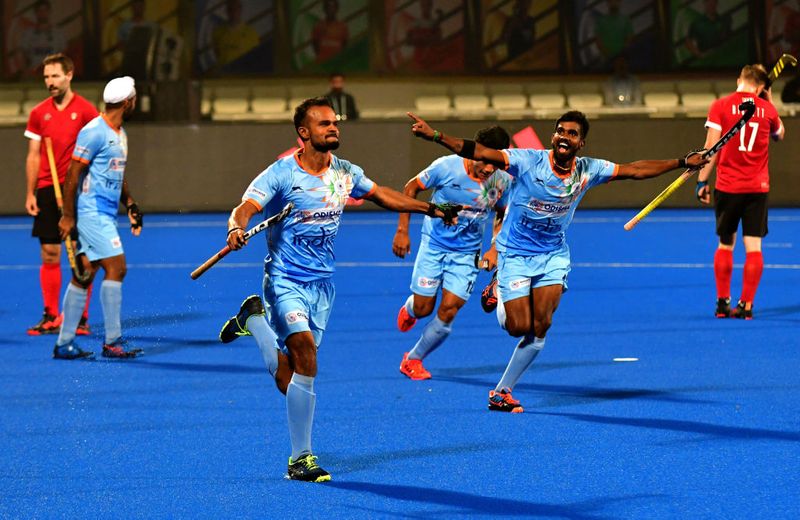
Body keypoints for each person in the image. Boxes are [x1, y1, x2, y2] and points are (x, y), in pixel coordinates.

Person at [217, 97, 460, 482]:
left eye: (335, 123)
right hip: (284, 280)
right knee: (306, 355)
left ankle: (255, 322)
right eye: (324, 124)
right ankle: (300, 459)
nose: (333, 128)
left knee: (290, 379)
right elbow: (246, 207)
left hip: (321, 286)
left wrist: (429, 209)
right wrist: (236, 227)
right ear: (304, 132)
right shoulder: (281, 174)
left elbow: (381, 194)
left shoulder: (345, 172)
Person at [407, 110, 708, 413]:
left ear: (581, 142)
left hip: (552, 256)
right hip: (515, 255)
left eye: (572, 133)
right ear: (553, 136)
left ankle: (501, 392)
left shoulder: (589, 170)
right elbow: (479, 151)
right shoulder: (528, 161)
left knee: (541, 326)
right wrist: (436, 136)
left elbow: (635, 169)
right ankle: (498, 288)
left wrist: (682, 162)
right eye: (560, 131)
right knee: (517, 327)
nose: (564, 136)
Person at [393, 126, 511, 380]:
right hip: (434, 246)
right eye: (484, 161)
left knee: (449, 310)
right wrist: (402, 230)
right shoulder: (446, 166)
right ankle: (411, 310)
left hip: (467, 255)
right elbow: (411, 188)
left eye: (494, 163)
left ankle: (413, 359)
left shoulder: (502, 179)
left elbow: (502, 212)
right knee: (423, 308)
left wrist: (494, 247)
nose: (489, 169)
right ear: (474, 151)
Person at [53, 76, 144, 360]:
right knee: (117, 267)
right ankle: (112, 342)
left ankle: (64, 343)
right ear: (127, 102)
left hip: (106, 213)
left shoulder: (121, 133)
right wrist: (68, 216)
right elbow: (72, 174)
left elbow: (117, 173)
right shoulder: (94, 131)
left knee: (85, 273)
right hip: (91, 212)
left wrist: (130, 203)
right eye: (134, 99)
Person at [696, 64, 785, 320]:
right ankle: (746, 305)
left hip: (728, 186)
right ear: (760, 87)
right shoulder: (767, 109)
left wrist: (702, 181)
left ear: (739, 80)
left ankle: (722, 303)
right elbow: (780, 134)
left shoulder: (720, 106)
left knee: (725, 244)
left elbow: (711, 148)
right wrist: (769, 101)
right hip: (757, 188)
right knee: (754, 247)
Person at [24, 53, 98, 336]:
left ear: (69, 75)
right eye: (46, 77)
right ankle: (50, 315)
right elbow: (33, 156)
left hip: (77, 191)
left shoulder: (87, 111)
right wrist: (30, 192)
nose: (50, 82)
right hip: (46, 189)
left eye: (55, 76)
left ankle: (80, 318)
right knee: (50, 252)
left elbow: (98, 151)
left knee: (82, 256)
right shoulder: (38, 113)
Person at [16, 0, 67, 78]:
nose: (42, 13)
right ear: (36, 13)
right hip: (33, 73)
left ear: (49, 12)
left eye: (45, 10)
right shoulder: (28, 34)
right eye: (40, 11)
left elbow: (64, 54)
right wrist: (25, 71)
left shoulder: (58, 33)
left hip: (53, 74)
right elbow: (22, 54)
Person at [212, 0, 260, 67]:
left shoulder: (251, 33)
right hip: (224, 70)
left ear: (240, 10)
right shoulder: (217, 32)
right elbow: (217, 53)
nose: (233, 12)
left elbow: (255, 56)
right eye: (230, 9)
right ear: (227, 11)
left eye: (235, 9)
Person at [594, 0, 633, 65]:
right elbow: (598, 40)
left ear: (620, 2)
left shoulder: (626, 20)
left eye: (616, 1)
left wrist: (621, 54)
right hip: (606, 58)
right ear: (607, 3)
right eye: (611, 1)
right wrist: (607, 54)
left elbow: (629, 38)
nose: (614, 3)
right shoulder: (600, 21)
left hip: (622, 59)